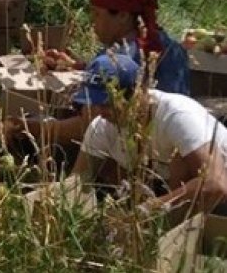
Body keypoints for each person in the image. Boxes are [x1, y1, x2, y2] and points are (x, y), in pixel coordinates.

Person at [6, 0, 190, 149]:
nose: (93, 23)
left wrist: (28, 128)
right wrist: (78, 67)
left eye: (97, 15)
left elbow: (87, 127)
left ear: (123, 16)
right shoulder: (170, 46)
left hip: (133, 151)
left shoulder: (122, 55)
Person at [69, 53, 227, 215]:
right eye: (95, 104)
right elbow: (75, 186)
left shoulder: (178, 115)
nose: (100, 111)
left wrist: (146, 211)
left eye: (108, 103)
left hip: (219, 203)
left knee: (181, 162)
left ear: (139, 92)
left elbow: (216, 185)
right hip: (167, 196)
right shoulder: (101, 127)